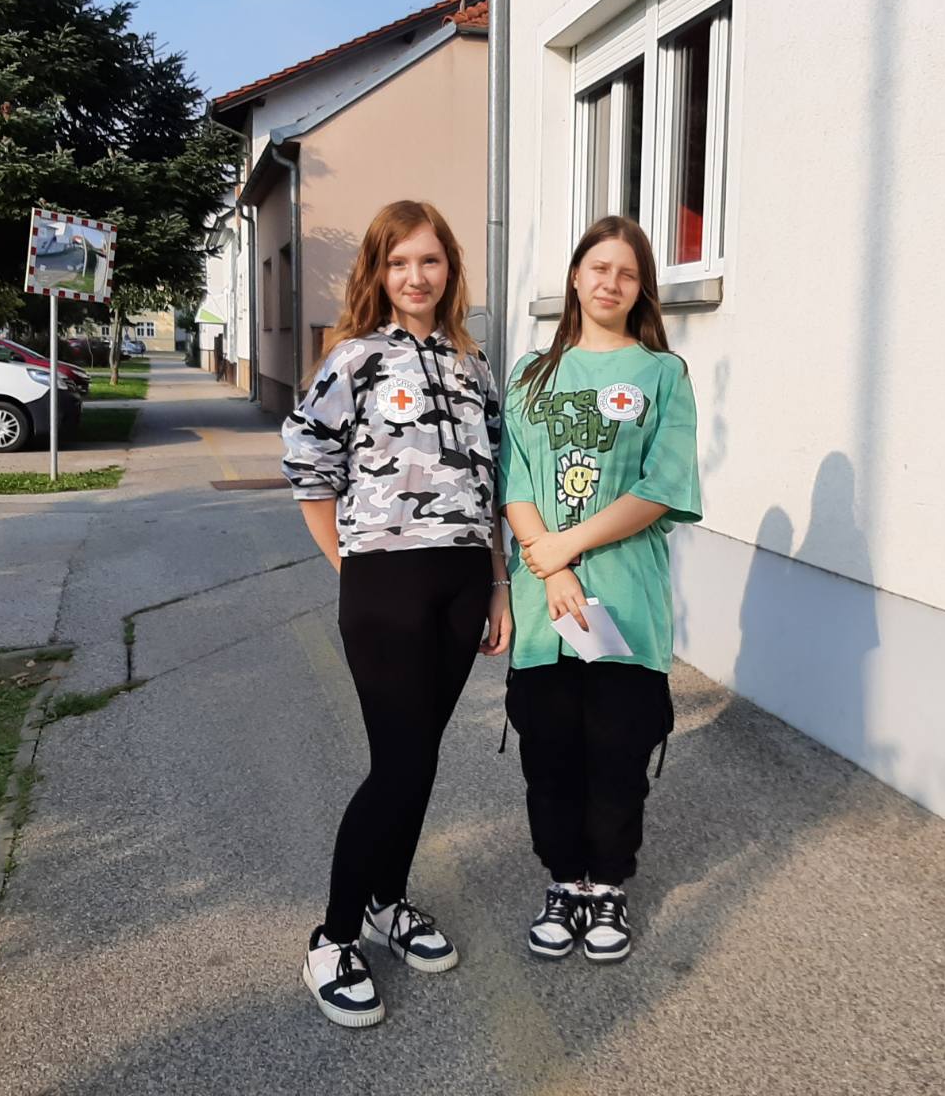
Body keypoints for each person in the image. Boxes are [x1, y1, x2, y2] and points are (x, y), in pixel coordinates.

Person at [282, 199, 510, 1027]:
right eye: (399, 261)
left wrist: (498, 586)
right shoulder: (354, 359)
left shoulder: (473, 365)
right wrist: (350, 568)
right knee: (399, 764)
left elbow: (491, 484)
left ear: (450, 269)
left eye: (430, 260)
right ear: (378, 272)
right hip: (385, 580)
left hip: (463, 581)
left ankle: (388, 900)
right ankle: (334, 936)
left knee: (421, 757)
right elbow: (306, 463)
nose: (416, 276)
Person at [498, 215, 702, 963]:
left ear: (642, 288)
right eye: (599, 267)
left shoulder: (662, 374)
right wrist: (550, 567)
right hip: (543, 605)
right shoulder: (530, 374)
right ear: (575, 277)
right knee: (550, 757)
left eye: (627, 272)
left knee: (618, 756)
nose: (611, 282)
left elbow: (662, 487)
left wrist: (568, 547)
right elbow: (514, 480)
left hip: (624, 605)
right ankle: (564, 882)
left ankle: (607, 885)